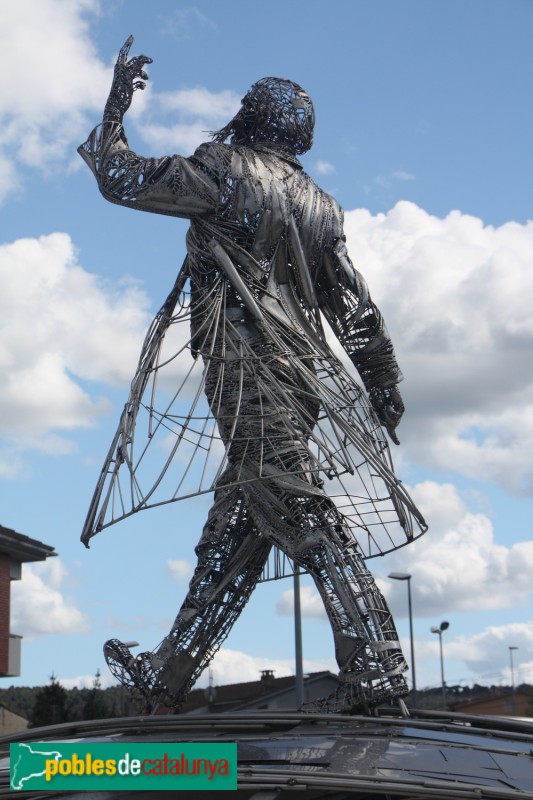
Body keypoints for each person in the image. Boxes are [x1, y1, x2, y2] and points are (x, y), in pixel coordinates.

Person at [79, 37, 426, 714]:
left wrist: (115, 108)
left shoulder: (224, 168)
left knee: (294, 505)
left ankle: (376, 664)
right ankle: (168, 673)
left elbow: (121, 179)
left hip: (245, 364)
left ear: (247, 119)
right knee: (234, 529)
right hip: (300, 377)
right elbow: (351, 305)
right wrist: (381, 384)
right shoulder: (321, 207)